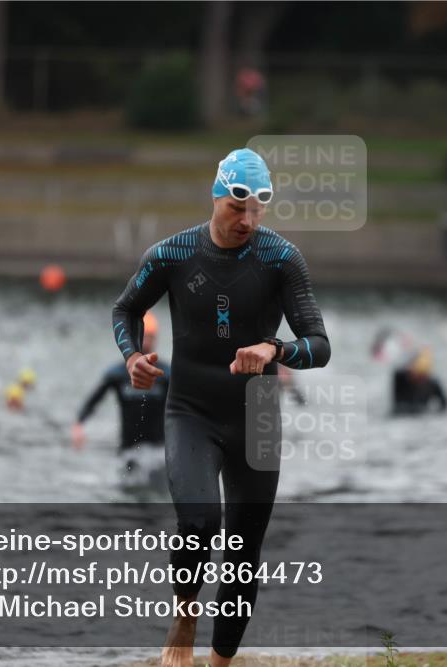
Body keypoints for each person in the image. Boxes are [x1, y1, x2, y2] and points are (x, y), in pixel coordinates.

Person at [112, 148, 330, 667]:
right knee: (201, 519)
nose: (248, 222)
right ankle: (185, 614)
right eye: (238, 209)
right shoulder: (172, 253)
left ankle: (219, 663)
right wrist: (132, 356)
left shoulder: (281, 259)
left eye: (258, 211)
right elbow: (125, 309)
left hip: (256, 418)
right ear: (216, 196)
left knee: (243, 551)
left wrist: (275, 350)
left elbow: (319, 345)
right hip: (190, 410)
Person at [71, 311, 170, 459]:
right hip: (127, 451)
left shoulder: (165, 374)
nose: (147, 342)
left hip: (158, 451)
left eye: (151, 337)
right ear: (135, 337)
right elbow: (95, 399)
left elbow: (183, 405)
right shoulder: (117, 374)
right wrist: (79, 424)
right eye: (144, 337)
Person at [392, 347, 447, 415]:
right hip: (402, 415)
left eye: (422, 375)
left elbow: (445, 405)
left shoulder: (433, 384)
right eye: (416, 373)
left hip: (421, 414)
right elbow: (396, 370)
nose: (419, 378)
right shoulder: (401, 379)